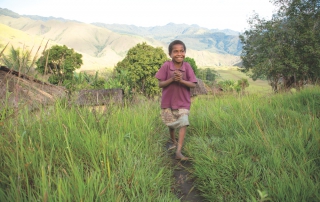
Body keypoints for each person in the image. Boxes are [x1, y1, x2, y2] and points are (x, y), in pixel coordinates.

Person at [155, 40, 197, 161]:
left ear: (185, 52)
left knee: (184, 121)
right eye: (175, 51)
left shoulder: (187, 66)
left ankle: (178, 151)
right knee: (171, 125)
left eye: (182, 51)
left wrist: (181, 81)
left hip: (183, 102)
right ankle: (173, 141)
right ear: (170, 54)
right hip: (168, 103)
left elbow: (193, 84)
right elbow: (160, 84)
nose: (179, 54)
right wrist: (172, 79)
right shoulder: (166, 66)